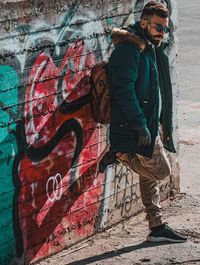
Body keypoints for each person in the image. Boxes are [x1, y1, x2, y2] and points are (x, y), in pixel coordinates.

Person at [99, 1, 187, 243]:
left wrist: (161, 124)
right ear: (144, 23)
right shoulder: (129, 49)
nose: (162, 32)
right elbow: (123, 91)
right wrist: (140, 125)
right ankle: (119, 155)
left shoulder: (149, 46)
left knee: (148, 179)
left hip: (149, 124)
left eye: (166, 29)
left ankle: (156, 227)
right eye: (159, 27)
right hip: (136, 127)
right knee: (161, 171)